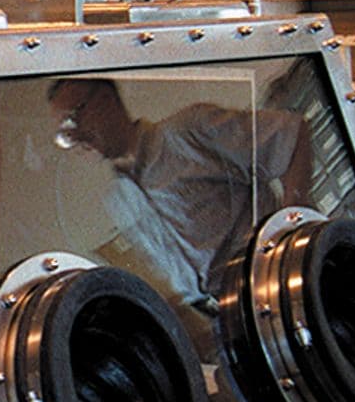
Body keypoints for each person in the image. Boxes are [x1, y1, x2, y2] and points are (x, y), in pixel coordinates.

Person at [46, 75, 314, 305]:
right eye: (64, 133)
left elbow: (292, 134)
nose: (75, 137)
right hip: (227, 314)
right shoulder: (120, 202)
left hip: (278, 281)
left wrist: (289, 239)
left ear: (106, 101)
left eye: (74, 118)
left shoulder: (189, 130)